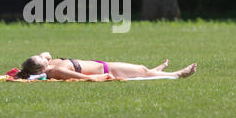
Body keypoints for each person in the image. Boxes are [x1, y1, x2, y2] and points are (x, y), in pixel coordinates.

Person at [15, 52, 196, 81]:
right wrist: (100, 78)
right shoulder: (55, 70)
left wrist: (41, 58)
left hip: (104, 64)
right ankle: (178, 74)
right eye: (42, 61)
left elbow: (46, 53)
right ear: (41, 69)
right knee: (141, 71)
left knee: (141, 68)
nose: (45, 58)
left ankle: (155, 71)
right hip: (108, 70)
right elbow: (84, 78)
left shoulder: (48, 63)